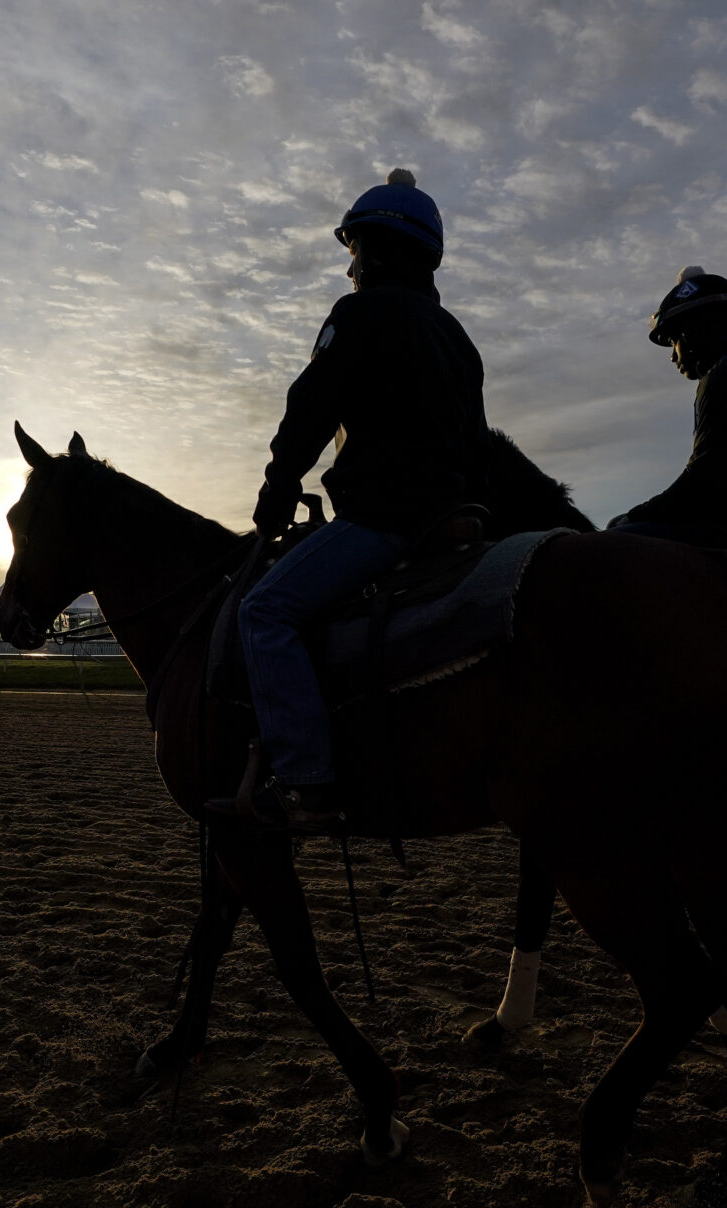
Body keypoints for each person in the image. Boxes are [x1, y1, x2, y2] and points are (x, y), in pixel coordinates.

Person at [236, 169, 490, 832]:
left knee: (264, 610)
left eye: (354, 251)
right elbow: (477, 443)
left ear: (374, 252)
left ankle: (306, 780)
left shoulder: (358, 314)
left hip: (383, 521)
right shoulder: (459, 338)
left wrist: (277, 489)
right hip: (455, 521)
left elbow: (310, 409)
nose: (349, 266)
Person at [613, 266, 727, 548]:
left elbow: (705, 478)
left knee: (609, 545)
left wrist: (637, 514)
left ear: (691, 333)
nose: (673, 357)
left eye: (673, 341)